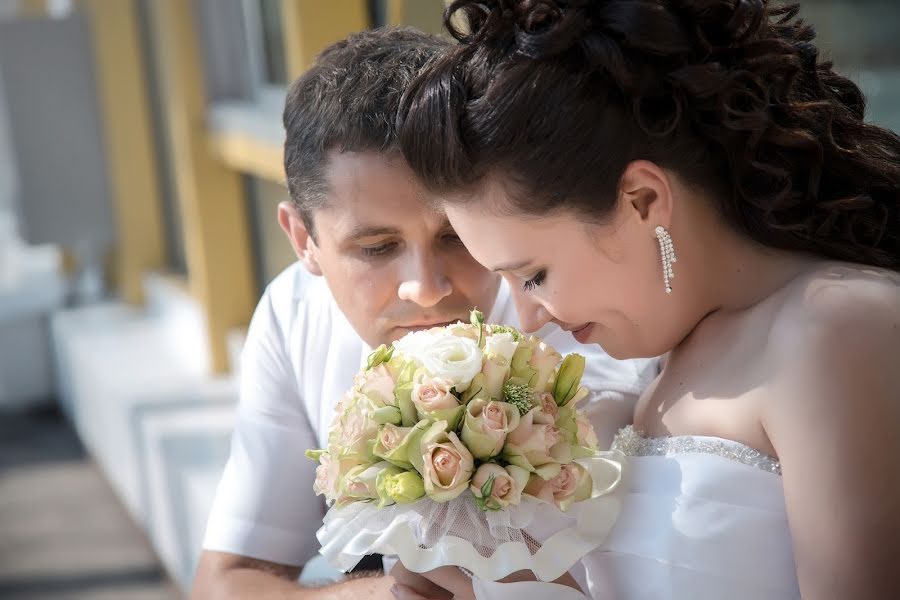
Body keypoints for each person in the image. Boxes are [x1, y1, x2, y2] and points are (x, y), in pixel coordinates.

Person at [392, 0, 900, 598]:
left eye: (532, 275)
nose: (527, 318)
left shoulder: (838, 330)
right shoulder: (666, 354)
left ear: (641, 200)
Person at [190, 27, 658, 600]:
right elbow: (226, 582)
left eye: (456, 237)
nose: (427, 287)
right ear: (302, 240)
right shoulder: (293, 313)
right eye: (376, 248)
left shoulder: (576, 316)